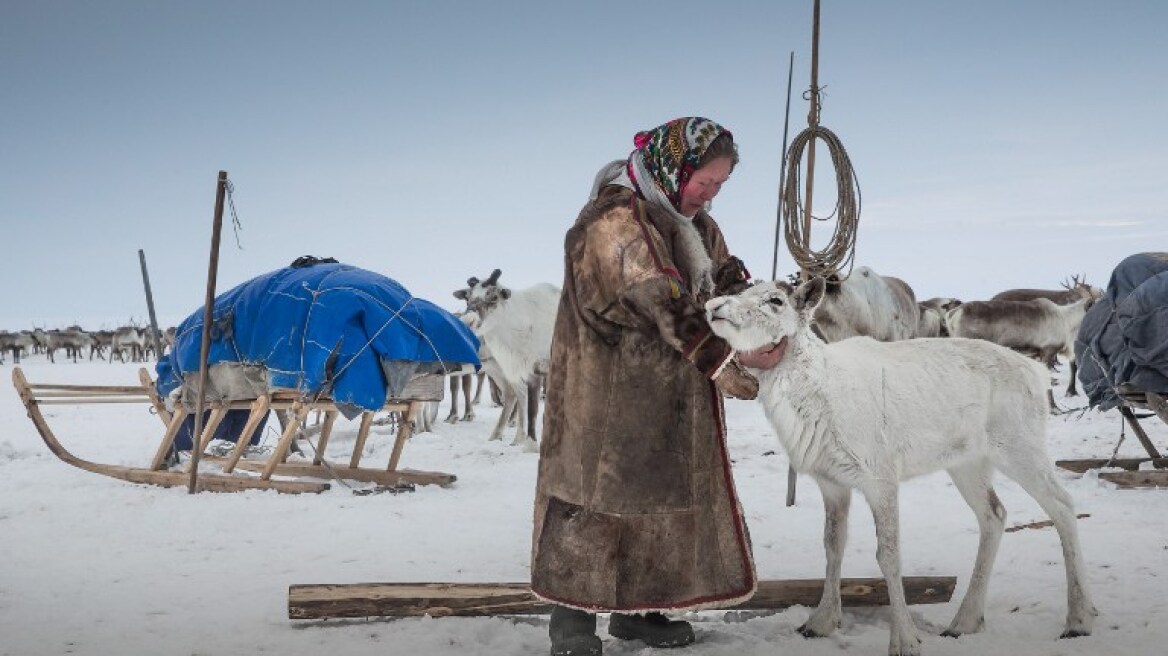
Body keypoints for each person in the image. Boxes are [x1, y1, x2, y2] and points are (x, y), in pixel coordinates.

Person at [530, 117, 785, 656]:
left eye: (719, 186)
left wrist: (768, 310)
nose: (709, 194)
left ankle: (640, 614)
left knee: (661, 498)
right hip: (604, 389)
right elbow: (655, 294)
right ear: (675, 168)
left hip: (667, 390)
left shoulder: (692, 223)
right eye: (704, 182)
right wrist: (721, 357)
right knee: (593, 500)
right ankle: (572, 626)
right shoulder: (612, 219)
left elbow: (726, 279)